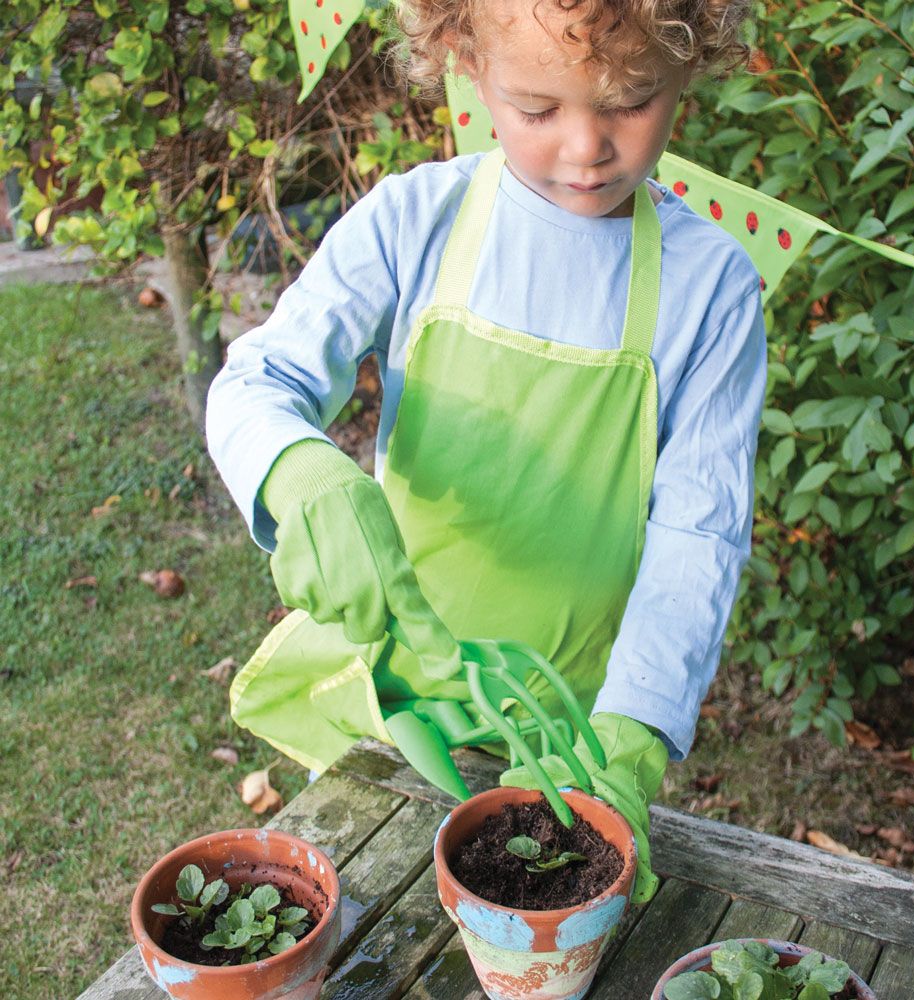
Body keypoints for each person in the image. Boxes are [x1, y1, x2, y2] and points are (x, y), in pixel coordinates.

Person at [206, 0, 765, 903]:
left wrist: (630, 737)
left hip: (574, 731)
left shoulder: (712, 289)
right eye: (538, 109)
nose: (586, 146)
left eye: (631, 100)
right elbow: (256, 382)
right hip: (397, 711)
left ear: (690, 64)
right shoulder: (411, 223)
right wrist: (295, 470)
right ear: (466, 59)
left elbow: (699, 537)